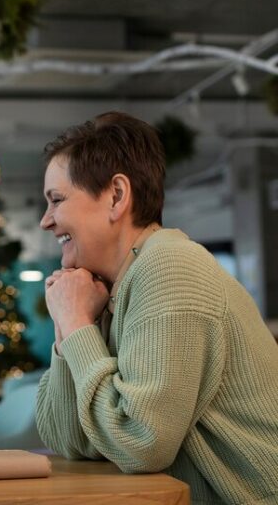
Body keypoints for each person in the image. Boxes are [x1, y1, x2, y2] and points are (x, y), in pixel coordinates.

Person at [35, 111, 278, 504]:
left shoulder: (169, 267)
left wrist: (77, 325)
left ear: (116, 196)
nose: (45, 221)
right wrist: (71, 325)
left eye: (57, 200)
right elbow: (69, 439)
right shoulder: (112, 286)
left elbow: (140, 443)